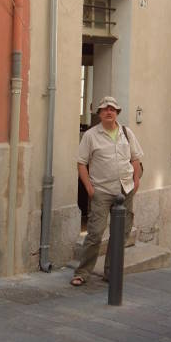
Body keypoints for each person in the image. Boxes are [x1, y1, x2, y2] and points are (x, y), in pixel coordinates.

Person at [71, 95, 143, 286]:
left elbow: (135, 158)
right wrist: (89, 188)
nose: (108, 112)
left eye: (112, 109)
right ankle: (82, 272)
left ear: (117, 112)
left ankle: (112, 272)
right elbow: (81, 163)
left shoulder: (126, 133)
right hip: (101, 191)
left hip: (125, 190)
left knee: (121, 234)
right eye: (105, 109)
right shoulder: (91, 135)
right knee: (95, 233)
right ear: (99, 113)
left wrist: (136, 181)